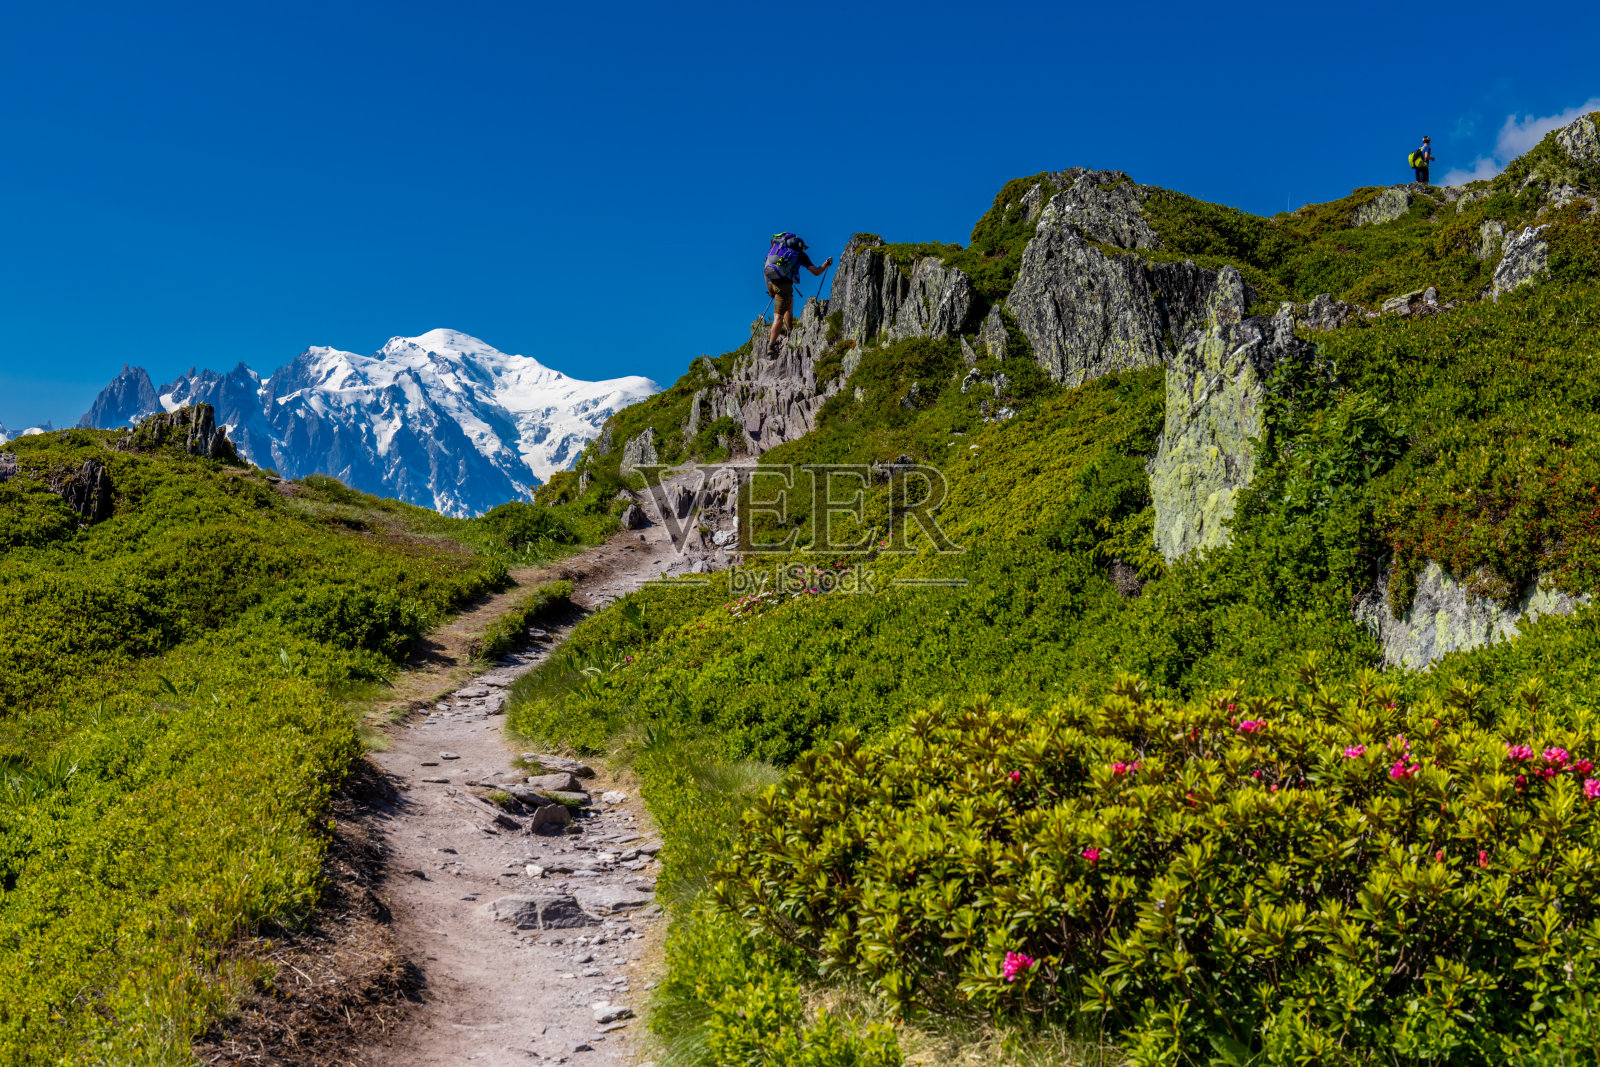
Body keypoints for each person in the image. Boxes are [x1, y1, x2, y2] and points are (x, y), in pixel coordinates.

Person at [764, 233, 832, 349]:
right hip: (783, 286)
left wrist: (769, 288)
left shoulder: (777, 250)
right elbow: (816, 272)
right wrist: (826, 265)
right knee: (778, 317)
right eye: (805, 247)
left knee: (789, 302)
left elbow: (766, 269)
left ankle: (790, 329)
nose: (805, 249)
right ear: (801, 246)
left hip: (770, 282)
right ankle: (771, 345)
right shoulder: (800, 255)